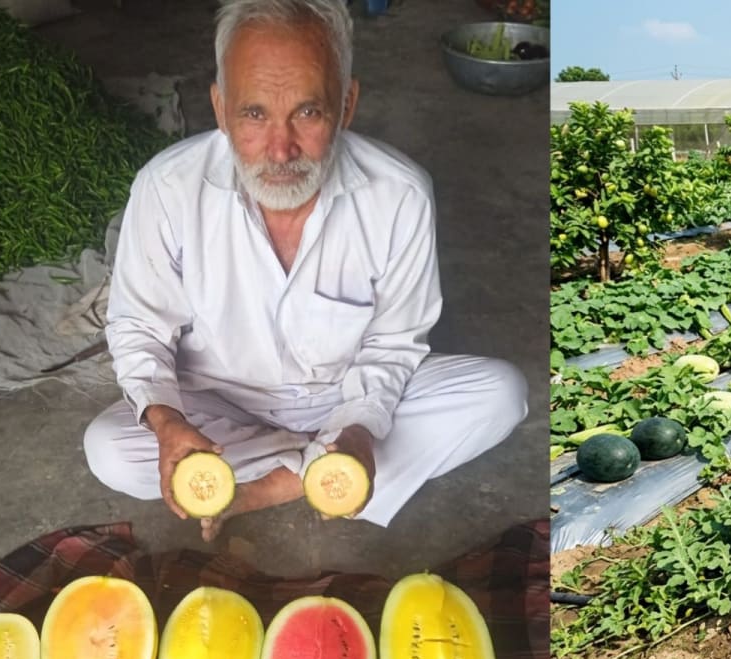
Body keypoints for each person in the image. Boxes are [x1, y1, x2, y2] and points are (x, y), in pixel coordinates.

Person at [82, 0, 528, 541]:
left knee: (501, 394)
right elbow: (139, 328)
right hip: (218, 403)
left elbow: (393, 343)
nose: (280, 147)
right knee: (111, 449)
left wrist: (361, 428)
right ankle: (317, 472)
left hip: (347, 399)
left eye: (307, 112)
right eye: (253, 114)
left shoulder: (401, 193)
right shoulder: (166, 188)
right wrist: (168, 423)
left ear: (346, 106)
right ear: (220, 109)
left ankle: (277, 483)